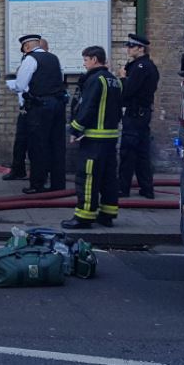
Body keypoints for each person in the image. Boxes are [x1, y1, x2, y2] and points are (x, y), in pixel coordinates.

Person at [62, 45, 122, 229]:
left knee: (87, 177)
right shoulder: (114, 80)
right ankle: (107, 214)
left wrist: (75, 129)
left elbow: (87, 107)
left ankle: (84, 216)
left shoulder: (96, 80)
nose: (84, 63)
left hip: (94, 139)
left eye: (86, 60)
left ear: (95, 59)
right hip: (110, 138)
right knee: (109, 177)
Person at [7, 34, 67, 194]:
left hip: (40, 107)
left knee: (38, 146)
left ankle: (37, 184)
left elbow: (20, 85)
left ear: (26, 47)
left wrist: (12, 84)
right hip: (58, 105)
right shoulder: (54, 58)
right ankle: (58, 183)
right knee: (57, 145)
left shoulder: (30, 59)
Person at [119, 34, 160, 199]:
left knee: (128, 152)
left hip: (135, 115)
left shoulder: (140, 67)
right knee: (142, 153)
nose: (128, 49)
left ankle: (123, 188)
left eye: (131, 46)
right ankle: (147, 188)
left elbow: (129, 90)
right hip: (143, 114)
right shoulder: (145, 65)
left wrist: (122, 78)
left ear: (140, 48)